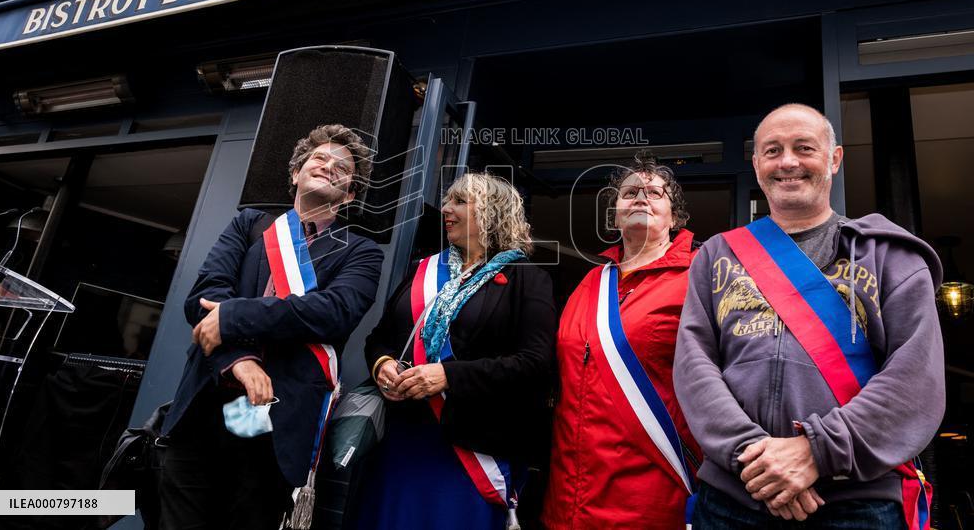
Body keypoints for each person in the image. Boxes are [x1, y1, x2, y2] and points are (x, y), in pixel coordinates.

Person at [674, 103, 944, 529]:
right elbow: (694, 365)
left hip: (858, 501)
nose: (788, 162)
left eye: (804, 148)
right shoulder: (714, 254)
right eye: (772, 150)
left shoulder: (891, 254)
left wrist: (816, 451)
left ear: (834, 159)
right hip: (734, 494)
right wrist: (760, 462)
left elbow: (915, 378)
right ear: (757, 164)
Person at [158, 124, 384, 530]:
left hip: (279, 422)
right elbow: (205, 298)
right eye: (319, 158)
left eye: (342, 167)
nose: (329, 166)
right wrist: (239, 360)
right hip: (204, 408)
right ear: (296, 174)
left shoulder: (362, 253)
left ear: (350, 194)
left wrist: (233, 316)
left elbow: (332, 312)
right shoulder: (249, 225)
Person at [356, 171, 557, 529]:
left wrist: (448, 375)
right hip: (400, 439)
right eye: (448, 200)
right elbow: (378, 337)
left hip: (470, 450)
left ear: (493, 213)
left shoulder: (527, 279)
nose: (447, 209)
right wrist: (383, 364)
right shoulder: (422, 271)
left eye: (460, 202)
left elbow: (535, 364)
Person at [542, 154, 701, 529]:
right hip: (567, 495)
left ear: (674, 218)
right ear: (614, 217)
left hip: (647, 496)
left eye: (654, 193)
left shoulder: (700, 278)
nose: (641, 198)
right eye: (630, 193)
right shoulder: (589, 283)